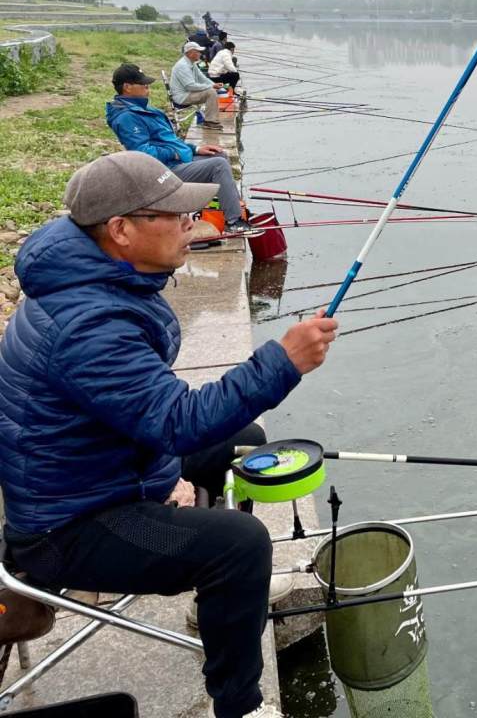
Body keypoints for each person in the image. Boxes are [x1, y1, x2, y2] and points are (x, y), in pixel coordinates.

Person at [0, 151, 338, 718]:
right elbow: (177, 423)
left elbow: (142, 416)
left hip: (92, 472)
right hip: (64, 527)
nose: (195, 225)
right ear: (121, 230)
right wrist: (283, 360)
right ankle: (239, 704)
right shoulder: (88, 324)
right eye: (176, 216)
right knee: (240, 545)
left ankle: (217, 606)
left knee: (245, 437)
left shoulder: (88, 276)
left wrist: (162, 476)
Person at [105, 63, 254, 235]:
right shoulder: (126, 117)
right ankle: (234, 222)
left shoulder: (144, 109)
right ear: (127, 87)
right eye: (143, 83)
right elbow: (142, 153)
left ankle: (228, 207)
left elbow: (168, 141)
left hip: (174, 161)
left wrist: (195, 148)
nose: (147, 86)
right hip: (162, 172)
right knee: (218, 166)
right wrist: (175, 153)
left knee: (219, 154)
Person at [170, 41, 224, 128]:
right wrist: (211, 87)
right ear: (191, 53)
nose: (200, 53)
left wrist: (214, 85)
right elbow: (190, 86)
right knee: (211, 92)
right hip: (182, 97)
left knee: (211, 90)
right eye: (198, 51)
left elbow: (203, 78)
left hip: (187, 94)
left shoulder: (191, 63)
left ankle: (208, 119)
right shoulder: (183, 66)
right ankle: (210, 121)